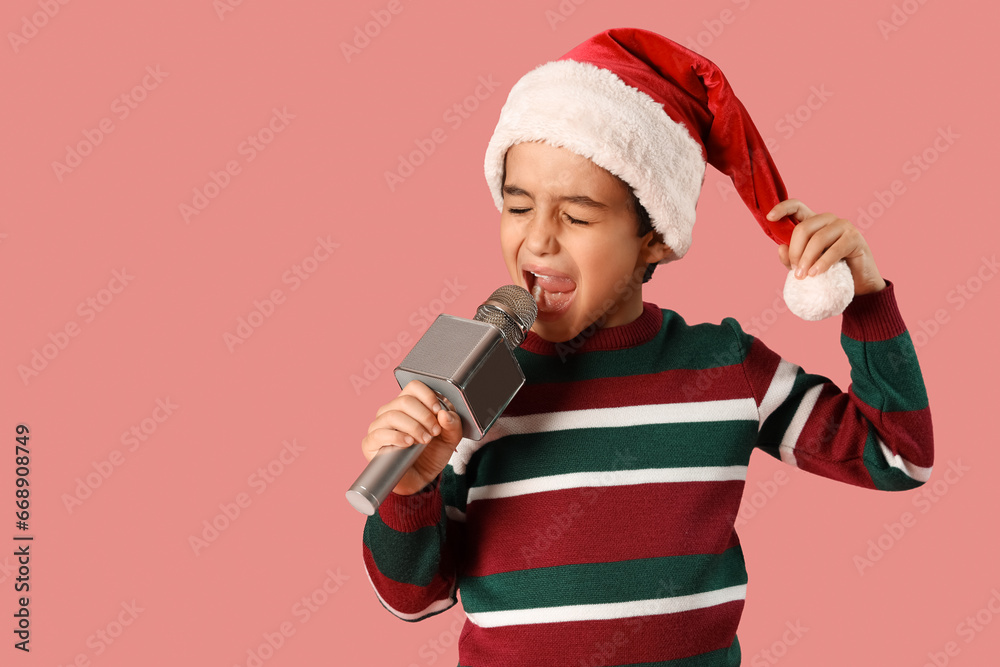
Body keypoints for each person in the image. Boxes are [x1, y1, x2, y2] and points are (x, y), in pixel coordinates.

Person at [357, 27, 934, 666]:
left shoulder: (726, 367)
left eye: (577, 217)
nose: (539, 240)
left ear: (655, 239)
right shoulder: (469, 389)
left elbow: (898, 458)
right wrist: (410, 489)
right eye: (517, 207)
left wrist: (866, 299)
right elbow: (415, 600)